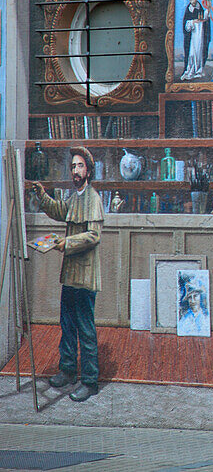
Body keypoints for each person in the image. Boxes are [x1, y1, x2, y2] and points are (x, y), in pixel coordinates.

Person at [29, 146, 103, 402]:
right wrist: (43, 196)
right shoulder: (75, 197)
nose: (75, 170)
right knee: (68, 324)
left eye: (80, 166)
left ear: (89, 171)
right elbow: (60, 210)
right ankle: (68, 370)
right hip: (71, 273)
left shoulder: (93, 198)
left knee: (85, 328)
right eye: (72, 166)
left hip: (85, 275)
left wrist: (66, 243)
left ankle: (90, 381)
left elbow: (94, 236)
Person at [181, 0, 209, 80]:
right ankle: (190, 69)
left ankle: (198, 69)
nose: (193, 1)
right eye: (192, 0)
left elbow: (203, 17)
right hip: (191, 35)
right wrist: (192, 22)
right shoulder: (188, 9)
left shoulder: (199, 6)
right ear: (190, 0)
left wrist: (206, 13)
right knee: (191, 53)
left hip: (199, 34)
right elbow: (186, 23)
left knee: (199, 51)